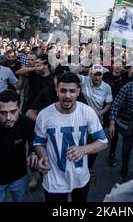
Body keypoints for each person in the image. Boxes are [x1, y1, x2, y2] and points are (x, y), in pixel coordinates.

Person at [34, 73, 108, 202]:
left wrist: (83, 149)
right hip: (53, 180)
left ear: (78, 91)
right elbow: (39, 143)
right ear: (56, 91)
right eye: (63, 91)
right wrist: (43, 156)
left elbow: (103, 142)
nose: (67, 95)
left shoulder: (87, 112)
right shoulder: (44, 115)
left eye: (72, 91)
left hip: (80, 178)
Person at [103, 59, 133, 167]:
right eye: (116, 65)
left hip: (119, 109)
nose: (118, 67)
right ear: (112, 65)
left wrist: (129, 67)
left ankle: (112, 154)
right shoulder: (106, 75)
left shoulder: (125, 76)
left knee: (115, 134)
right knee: (100, 129)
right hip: (106, 106)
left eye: (120, 65)